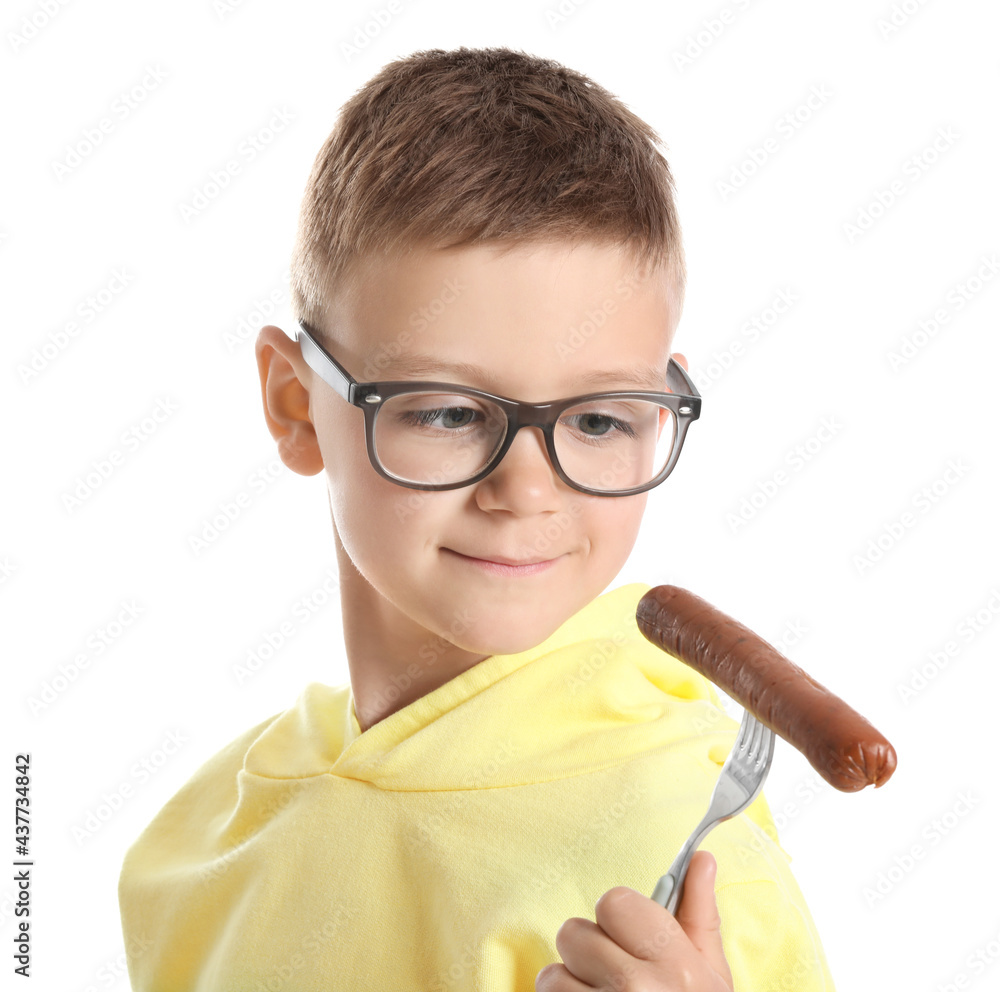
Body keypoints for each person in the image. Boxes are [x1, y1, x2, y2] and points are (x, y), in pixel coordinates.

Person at [117, 46, 835, 991]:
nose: (527, 491)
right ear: (296, 405)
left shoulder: (688, 865)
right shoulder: (197, 843)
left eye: (598, 419)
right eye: (449, 412)